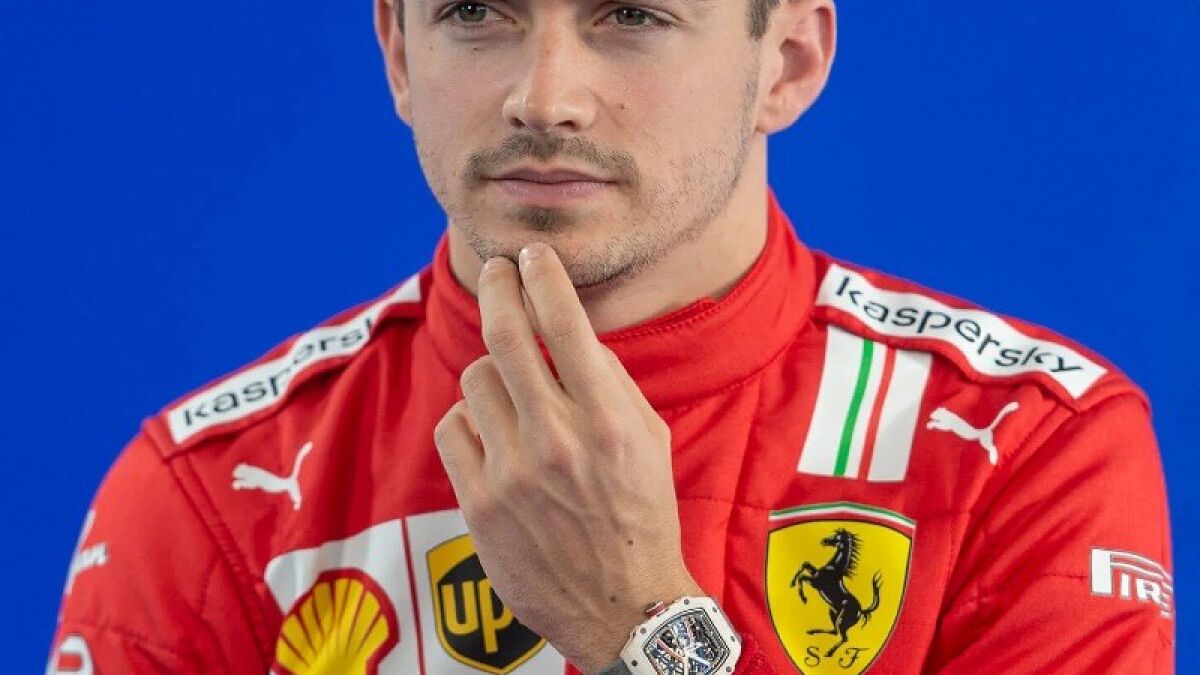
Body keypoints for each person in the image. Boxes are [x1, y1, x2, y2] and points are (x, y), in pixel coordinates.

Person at [47, 0, 1174, 672]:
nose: (545, 97)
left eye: (631, 15)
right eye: (475, 12)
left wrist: (644, 626)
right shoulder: (211, 492)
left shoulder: (1027, 443)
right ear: (396, 52)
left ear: (786, 60)